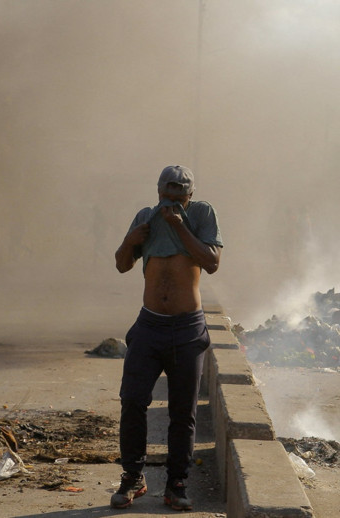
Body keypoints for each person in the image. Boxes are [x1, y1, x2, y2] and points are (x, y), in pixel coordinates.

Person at [111, 165, 223, 511]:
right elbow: (122, 264)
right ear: (158, 191)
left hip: (187, 330)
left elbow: (212, 262)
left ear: (190, 196)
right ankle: (133, 477)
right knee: (132, 400)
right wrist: (130, 241)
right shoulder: (146, 217)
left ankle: (177, 483)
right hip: (149, 326)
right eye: (166, 194)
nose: (170, 202)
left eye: (179, 196)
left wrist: (179, 226)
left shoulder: (201, 214)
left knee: (182, 411)